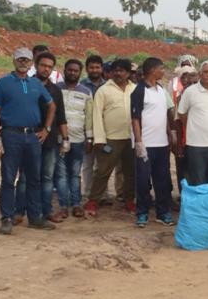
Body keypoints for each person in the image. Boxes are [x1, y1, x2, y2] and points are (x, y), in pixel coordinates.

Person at [0, 47, 57, 234]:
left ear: (31, 62)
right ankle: (7, 218)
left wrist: (47, 129)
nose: (23, 62)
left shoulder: (36, 84)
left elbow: (51, 105)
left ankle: (35, 217)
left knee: (34, 178)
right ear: (13, 60)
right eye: (20, 59)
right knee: (9, 178)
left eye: (27, 60)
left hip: (33, 137)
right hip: (11, 135)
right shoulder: (2, 82)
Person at [16, 52, 68, 224]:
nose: (46, 69)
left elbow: (61, 116)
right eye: (43, 65)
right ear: (35, 66)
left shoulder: (56, 90)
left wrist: (65, 139)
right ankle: (19, 212)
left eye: (49, 66)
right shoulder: (26, 85)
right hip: (28, 138)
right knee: (25, 177)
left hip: (50, 140)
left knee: (47, 177)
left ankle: (46, 211)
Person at [85, 58, 135, 217]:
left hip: (131, 138)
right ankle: (93, 201)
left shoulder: (135, 89)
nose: (119, 73)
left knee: (130, 172)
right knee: (103, 172)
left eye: (122, 70)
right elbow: (96, 115)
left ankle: (128, 200)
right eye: (116, 70)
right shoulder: (103, 90)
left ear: (128, 73)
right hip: (110, 139)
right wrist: (99, 139)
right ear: (111, 72)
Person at [130, 57, 175, 227]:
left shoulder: (161, 90)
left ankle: (162, 213)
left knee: (162, 179)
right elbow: (135, 119)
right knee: (142, 180)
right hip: (146, 144)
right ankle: (142, 213)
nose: (163, 71)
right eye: (161, 68)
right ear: (152, 70)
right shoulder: (139, 91)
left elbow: (163, 115)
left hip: (161, 144)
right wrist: (139, 143)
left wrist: (170, 134)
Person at [178, 60, 208, 184]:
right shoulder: (190, 91)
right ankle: (200, 204)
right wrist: (193, 127)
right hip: (196, 145)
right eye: (205, 72)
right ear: (200, 73)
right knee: (198, 179)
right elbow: (182, 113)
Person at [55, 59, 92, 218]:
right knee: (61, 175)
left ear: (80, 73)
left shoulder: (86, 92)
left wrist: (89, 138)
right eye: (69, 70)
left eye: (75, 71)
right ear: (64, 70)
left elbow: (89, 117)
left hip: (78, 140)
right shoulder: (56, 89)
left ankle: (76, 204)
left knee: (75, 174)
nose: (72, 73)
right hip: (58, 140)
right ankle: (63, 206)